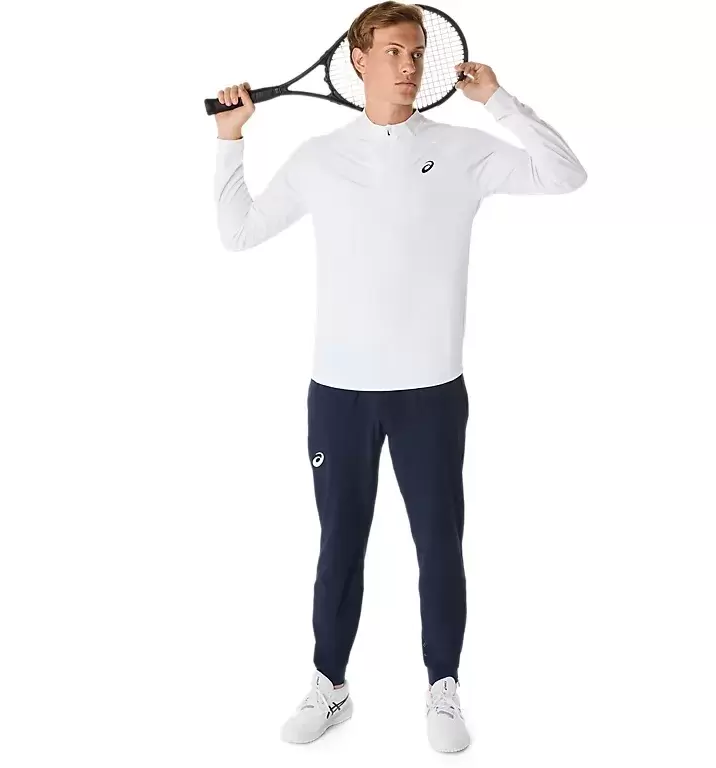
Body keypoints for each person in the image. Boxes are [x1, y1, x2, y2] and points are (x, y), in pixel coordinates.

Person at [212, 1, 586, 753]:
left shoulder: (463, 149)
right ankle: (330, 685)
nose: (410, 66)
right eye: (393, 51)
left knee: (439, 545)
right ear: (358, 59)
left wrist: (500, 102)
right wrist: (230, 140)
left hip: (431, 392)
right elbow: (239, 232)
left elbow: (566, 175)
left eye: (417, 52)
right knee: (340, 545)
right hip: (339, 392)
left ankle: (443, 687)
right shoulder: (320, 158)